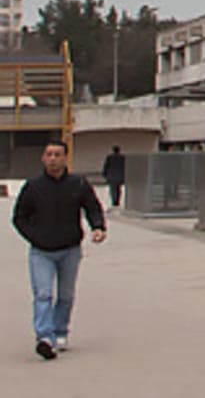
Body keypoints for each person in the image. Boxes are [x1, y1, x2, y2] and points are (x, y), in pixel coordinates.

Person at [12, 137, 107, 360]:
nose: (53, 159)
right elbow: (19, 217)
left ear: (66, 158)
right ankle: (44, 337)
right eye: (49, 155)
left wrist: (98, 227)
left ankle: (60, 331)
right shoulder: (33, 187)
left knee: (65, 295)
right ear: (43, 158)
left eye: (57, 155)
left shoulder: (78, 184)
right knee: (43, 294)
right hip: (41, 251)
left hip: (70, 250)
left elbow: (92, 207)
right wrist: (34, 236)